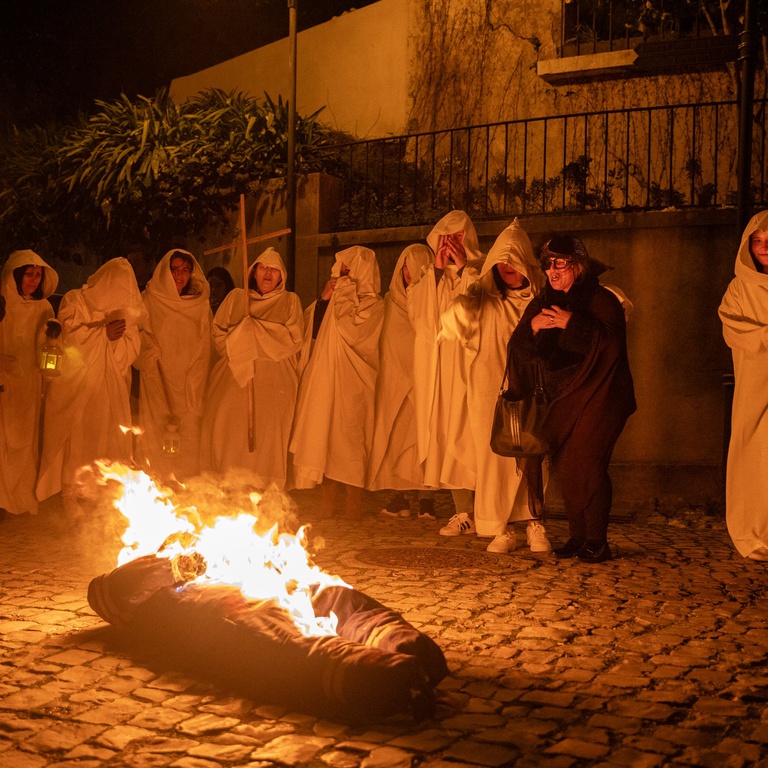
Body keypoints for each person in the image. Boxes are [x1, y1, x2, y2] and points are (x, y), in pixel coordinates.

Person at [507, 234, 635, 563]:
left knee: (588, 464)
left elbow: (611, 344)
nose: (552, 270)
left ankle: (597, 540)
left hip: (600, 395)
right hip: (561, 398)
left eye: (559, 263)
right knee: (566, 466)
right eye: (547, 264)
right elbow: (517, 347)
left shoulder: (600, 299)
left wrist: (571, 323)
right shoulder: (541, 301)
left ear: (577, 266)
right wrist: (533, 328)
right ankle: (579, 537)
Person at [439, 219, 551, 553]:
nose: (508, 271)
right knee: (497, 458)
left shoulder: (543, 299)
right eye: (501, 267)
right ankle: (502, 526)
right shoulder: (486, 300)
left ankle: (534, 522)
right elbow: (462, 313)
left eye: (513, 265)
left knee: (534, 454)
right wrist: (459, 308)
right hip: (489, 390)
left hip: (533, 388)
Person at [37, 258, 146, 513]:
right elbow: (69, 338)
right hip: (78, 388)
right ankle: (72, 501)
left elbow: (129, 353)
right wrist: (102, 335)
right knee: (76, 444)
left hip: (109, 392)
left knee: (106, 444)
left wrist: (115, 342)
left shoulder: (126, 311)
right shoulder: (76, 300)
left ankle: (102, 506)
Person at [290, 245, 384, 519]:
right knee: (325, 436)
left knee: (351, 438)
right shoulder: (333, 299)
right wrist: (323, 301)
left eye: (349, 268)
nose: (343, 273)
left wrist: (341, 296)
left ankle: (353, 502)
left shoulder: (374, 304)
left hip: (354, 381)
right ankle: (327, 501)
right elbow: (314, 332)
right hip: (325, 377)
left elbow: (354, 333)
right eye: (341, 268)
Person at [407, 210, 485, 535]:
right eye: (445, 238)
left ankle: (488, 509)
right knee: (446, 430)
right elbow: (421, 319)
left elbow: (482, 306)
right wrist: (438, 271)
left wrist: (465, 267)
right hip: (439, 370)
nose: (450, 244)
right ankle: (462, 511)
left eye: (457, 237)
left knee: (471, 433)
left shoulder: (481, 273)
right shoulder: (430, 279)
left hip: (468, 367)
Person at [201, 248, 303, 490]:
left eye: (274, 268)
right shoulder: (236, 298)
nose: (268, 273)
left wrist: (253, 331)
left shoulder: (290, 301)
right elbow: (218, 335)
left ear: (282, 276)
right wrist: (242, 337)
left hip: (274, 382)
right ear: (253, 272)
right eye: (262, 267)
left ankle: (266, 493)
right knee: (226, 427)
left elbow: (293, 340)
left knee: (269, 437)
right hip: (234, 378)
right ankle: (229, 488)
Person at [368, 243, 436, 518]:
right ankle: (400, 497)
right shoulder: (389, 303)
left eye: (416, 267)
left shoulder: (433, 300)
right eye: (406, 266)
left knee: (423, 439)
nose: (410, 273)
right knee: (395, 437)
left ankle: (427, 499)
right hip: (394, 380)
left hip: (423, 381)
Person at [719, 210, 768, 561]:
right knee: (753, 453)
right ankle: (753, 531)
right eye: (758, 241)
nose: (764, 247)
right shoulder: (739, 288)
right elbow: (732, 327)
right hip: (755, 382)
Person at [138, 249, 212, 479]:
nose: (179, 276)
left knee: (188, 436)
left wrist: (196, 377)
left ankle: (186, 493)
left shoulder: (200, 304)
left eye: (185, 270)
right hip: (157, 381)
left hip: (191, 381)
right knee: (155, 433)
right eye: (174, 269)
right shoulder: (149, 299)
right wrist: (148, 351)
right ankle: (155, 488)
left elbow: (206, 345)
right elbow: (137, 334)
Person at [0, 250, 59, 516]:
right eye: (29, 274)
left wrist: (52, 336)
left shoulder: (43, 307)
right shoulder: (2, 303)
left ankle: (21, 499)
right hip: (4, 382)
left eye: (38, 275)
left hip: (29, 384)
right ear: (16, 275)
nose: (33, 280)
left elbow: (49, 346)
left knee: (25, 441)